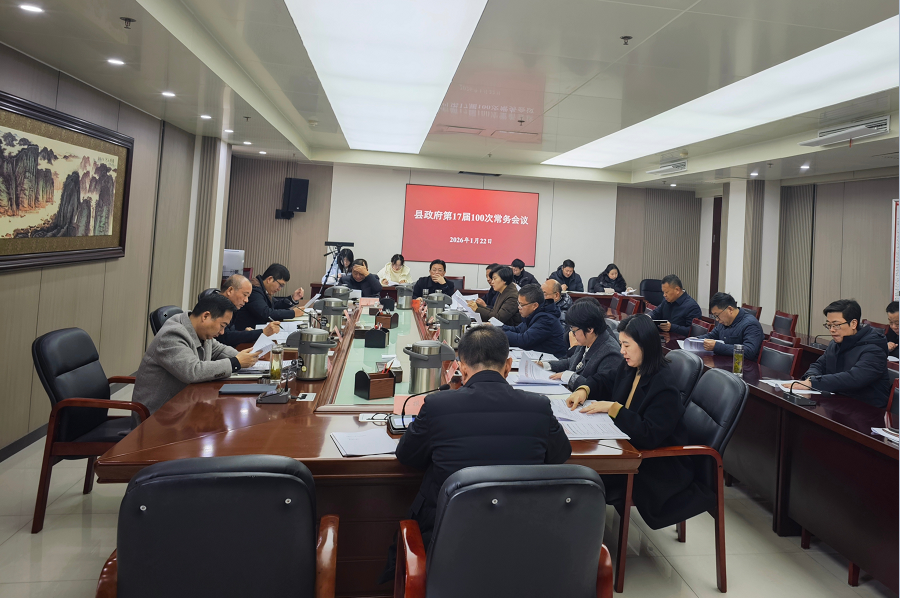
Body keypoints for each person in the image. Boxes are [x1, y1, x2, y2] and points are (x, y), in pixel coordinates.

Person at [394, 325, 571, 557]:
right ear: (508, 365)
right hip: (522, 543)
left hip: (447, 544)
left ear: (462, 368)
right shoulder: (538, 406)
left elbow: (407, 456)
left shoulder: (438, 405)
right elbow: (560, 455)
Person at [566, 314, 713, 529]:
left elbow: (649, 434)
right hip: (631, 448)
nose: (622, 351)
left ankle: (583, 536)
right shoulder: (632, 366)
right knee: (579, 470)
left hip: (657, 466)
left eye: (626, 345)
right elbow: (607, 379)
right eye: (621, 344)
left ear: (644, 345)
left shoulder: (664, 384)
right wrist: (584, 389)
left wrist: (614, 409)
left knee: (584, 477)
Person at [133, 294, 260, 418]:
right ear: (206, 316)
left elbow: (218, 349)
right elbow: (193, 371)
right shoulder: (172, 334)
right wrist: (236, 362)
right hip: (160, 415)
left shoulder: (200, 330)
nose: (222, 332)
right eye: (222, 326)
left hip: (185, 405)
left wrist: (248, 358)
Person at [786, 299, 891, 407]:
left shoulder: (874, 349)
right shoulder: (835, 344)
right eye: (829, 325)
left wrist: (813, 382)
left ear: (853, 323)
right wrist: (811, 377)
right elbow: (819, 365)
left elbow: (854, 378)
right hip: (839, 404)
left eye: (836, 325)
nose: (832, 330)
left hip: (867, 410)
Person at [542, 298, 623, 392]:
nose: (573, 334)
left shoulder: (610, 353)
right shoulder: (587, 340)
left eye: (574, 330)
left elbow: (599, 389)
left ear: (590, 329)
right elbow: (571, 362)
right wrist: (545, 365)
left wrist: (570, 377)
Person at [499, 284, 568, 358]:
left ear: (535, 305)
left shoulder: (547, 319)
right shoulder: (533, 314)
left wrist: (499, 335)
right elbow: (518, 330)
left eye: (522, 305)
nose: (519, 307)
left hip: (553, 361)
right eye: (518, 303)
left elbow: (524, 340)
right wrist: (497, 328)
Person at [232, 263, 305, 330]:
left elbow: (274, 305)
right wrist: (293, 313)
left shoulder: (262, 288)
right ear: (269, 279)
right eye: (280, 285)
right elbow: (266, 313)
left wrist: (293, 298)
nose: (279, 289)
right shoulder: (254, 290)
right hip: (246, 332)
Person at [217, 275, 280, 347]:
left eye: (248, 297)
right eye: (244, 295)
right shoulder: (217, 306)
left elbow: (230, 333)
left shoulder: (230, 307)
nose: (246, 300)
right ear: (230, 290)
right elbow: (225, 337)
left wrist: (245, 333)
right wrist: (262, 332)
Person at [697, 292, 764, 360]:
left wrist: (717, 346)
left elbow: (749, 351)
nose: (717, 319)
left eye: (717, 315)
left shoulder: (751, 324)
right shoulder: (725, 322)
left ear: (730, 309)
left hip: (743, 365)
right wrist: (695, 340)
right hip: (725, 361)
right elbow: (712, 335)